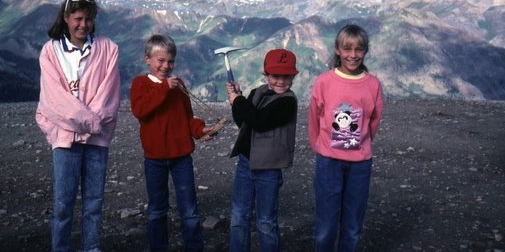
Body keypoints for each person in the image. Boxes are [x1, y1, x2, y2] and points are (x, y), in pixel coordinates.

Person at [35, 0, 121, 252]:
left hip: (96, 139)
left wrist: (86, 126)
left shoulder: (109, 49)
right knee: (63, 206)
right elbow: (53, 100)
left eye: (89, 19)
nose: (83, 24)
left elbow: (109, 94)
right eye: (78, 19)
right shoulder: (50, 52)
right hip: (65, 139)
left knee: (93, 205)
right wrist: (90, 123)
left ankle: (91, 248)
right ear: (66, 19)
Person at [129, 34, 215, 252]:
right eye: (161, 61)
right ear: (147, 59)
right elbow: (141, 111)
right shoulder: (141, 84)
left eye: (170, 61)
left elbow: (187, 117)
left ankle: (194, 247)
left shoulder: (179, 85)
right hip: (155, 159)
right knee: (158, 209)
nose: (166, 66)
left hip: (181, 157)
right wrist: (164, 88)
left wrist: (199, 130)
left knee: (189, 210)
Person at [308, 24, 383, 252]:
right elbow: (314, 116)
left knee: (352, 225)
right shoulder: (324, 82)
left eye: (358, 49)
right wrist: (318, 146)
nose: (353, 55)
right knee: (326, 226)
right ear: (337, 50)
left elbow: (374, 121)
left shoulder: (372, 85)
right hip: (329, 161)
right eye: (347, 49)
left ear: (365, 51)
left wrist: (361, 145)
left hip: (360, 164)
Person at [225, 49, 299, 252]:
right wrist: (238, 98)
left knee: (265, 221)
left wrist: (238, 101)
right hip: (246, 163)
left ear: (293, 77)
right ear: (265, 75)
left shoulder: (287, 101)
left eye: (287, 76)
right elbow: (244, 122)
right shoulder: (257, 92)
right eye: (275, 76)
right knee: (239, 216)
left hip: (269, 168)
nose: (281, 81)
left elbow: (260, 121)